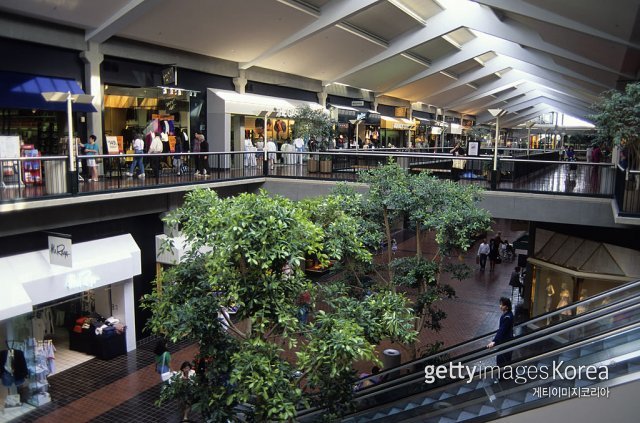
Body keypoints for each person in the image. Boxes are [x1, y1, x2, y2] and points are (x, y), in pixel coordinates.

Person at [487, 297, 514, 367]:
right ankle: (503, 375)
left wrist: (494, 341)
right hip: (506, 341)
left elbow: (502, 330)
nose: (500, 306)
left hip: (506, 341)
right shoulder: (508, 314)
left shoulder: (507, 317)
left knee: (502, 360)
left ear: (507, 307)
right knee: (504, 360)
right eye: (500, 304)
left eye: (502, 305)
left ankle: (502, 376)